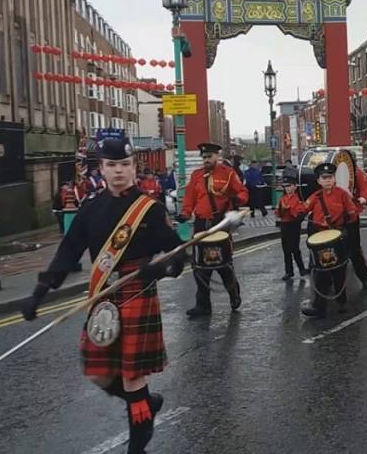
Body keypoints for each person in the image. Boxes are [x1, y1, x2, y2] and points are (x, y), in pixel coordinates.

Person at [21, 136, 188, 454]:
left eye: (125, 164)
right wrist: (40, 292)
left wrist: (160, 269)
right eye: (112, 165)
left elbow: (178, 255)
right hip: (104, 295)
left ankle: (137, 443)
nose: (119, 171)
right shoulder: (91, 209)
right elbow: (68, 252)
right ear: (102, 168)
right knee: (98, 373)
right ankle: (145, 403)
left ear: (133, 167)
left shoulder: (149, 210)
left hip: (137, 291)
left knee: (132, 375)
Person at [178, 142, 248, 317]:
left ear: (217, 156)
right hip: (201, 224)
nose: (206, 160)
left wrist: (237, 200)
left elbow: (243, 192)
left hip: (220, 224)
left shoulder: (228, 174)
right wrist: (185, 214)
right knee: (200, 267)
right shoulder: (196, 175)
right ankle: (203, 305)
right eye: (204, 157)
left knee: (223, 264)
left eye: (209, 157)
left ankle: (234, 293)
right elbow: (190, 198)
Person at [301, 162, 359, 318]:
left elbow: (352, 213)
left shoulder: (342, 194)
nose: (328, 180)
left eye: (330, 177)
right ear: (318, 181)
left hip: (337, 236)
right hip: (321, 238)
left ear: (334, 179)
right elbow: (303, 209)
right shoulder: (315, 196)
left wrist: (348, 228)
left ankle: (342, 302)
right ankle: (319, 306)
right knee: (321, 272)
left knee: (339, 270)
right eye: (324, 178)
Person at [346, 162, 367, 290]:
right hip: (331, 218)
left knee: (354, 249)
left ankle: (364, 277)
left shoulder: (355, 171)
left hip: (350, 215)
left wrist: (364, 197)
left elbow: (366, 185)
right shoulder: (327, 177)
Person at [276, 171, 308, 280]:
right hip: (284, 225)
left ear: (295, 186)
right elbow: (278, 213)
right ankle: (289, 272)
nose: (288, 189)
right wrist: (281, 210)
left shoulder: (297, 199)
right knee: (286, 250)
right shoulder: (282, 199)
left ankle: (301, 269)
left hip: (294, 225)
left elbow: (299, 213)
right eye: (286, 187)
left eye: (290, 186)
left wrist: (289, 209)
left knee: (295, 248)